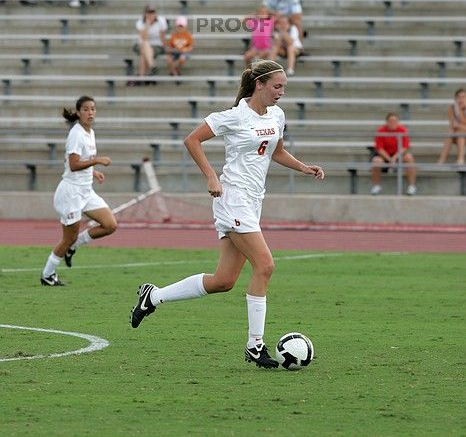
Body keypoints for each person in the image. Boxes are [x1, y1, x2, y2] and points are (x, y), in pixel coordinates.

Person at [129, 59, 325, 369]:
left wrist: (303, 167)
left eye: (284, 87)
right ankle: (255, 346)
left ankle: (153, 297)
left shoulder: (277, 115)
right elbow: (192, 140)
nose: (281, 92)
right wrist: (211, 175)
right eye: (277, 86)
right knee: (265, 265)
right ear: (259, 85)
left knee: (223, 281)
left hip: (253, 202)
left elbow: (276, 151)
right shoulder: (234, 117)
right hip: (232, 198)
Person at [40, 96, 117, 286]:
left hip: (85, 190)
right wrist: (97, 161)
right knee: (68, 237)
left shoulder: (89, 131)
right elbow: (73, 165)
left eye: (93, 109)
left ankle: (73, 247)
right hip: (71, 193)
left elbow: (81, 162)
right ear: (78, 112)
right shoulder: (76, 134)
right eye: (86, 109)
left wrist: (93, 172)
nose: (90, 112)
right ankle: (47, 275)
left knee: (110, 224)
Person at [370, 112, 417, 195]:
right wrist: (389, 158)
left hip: (398, 155)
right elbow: (379, 149)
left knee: (409, 157)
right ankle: (376, 186)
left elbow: (405, 147)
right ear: (387, 122)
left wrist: (395, 157)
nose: (393, 123)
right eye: (391, 121)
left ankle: (411, 186)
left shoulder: (402, 130)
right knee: (376, 160)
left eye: (395, 121)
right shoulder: (381, 131)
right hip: (385, 156)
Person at [132, 4, 167, 82]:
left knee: (143, 53)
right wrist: (147, 24)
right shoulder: (140, 22)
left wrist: (165, 47)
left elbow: (162, 37)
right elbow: (144, 37)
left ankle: (141, 77)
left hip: (157, 45)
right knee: (145, 43)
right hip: (141, 44)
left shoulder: (161, 21)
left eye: (152, 12)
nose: (151, 14)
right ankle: (152, 66)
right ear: (145, 13)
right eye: (149, 12)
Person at [437, 88, 466, 164]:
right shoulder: (452, 108)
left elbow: (459, 124)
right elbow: (453, 124)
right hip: (460, 135)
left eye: (463, 97)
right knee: (453, 133)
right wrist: (459, 110)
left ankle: (457, 159)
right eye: (459, 97)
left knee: (458, 133)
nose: (461, 99)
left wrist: (461, 111)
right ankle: (457, 160)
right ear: (456, 99)